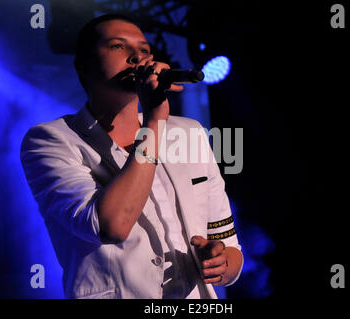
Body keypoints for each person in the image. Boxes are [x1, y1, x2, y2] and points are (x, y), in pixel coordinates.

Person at [20, 14, 243, 299]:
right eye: (117, 46)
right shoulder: (51, 140)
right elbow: (111, 225)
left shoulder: (189, 133)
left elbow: (229, 246)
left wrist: (222, 263)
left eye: (145, 49)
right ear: (83, 66)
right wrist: (153, 123)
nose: (138, 55)